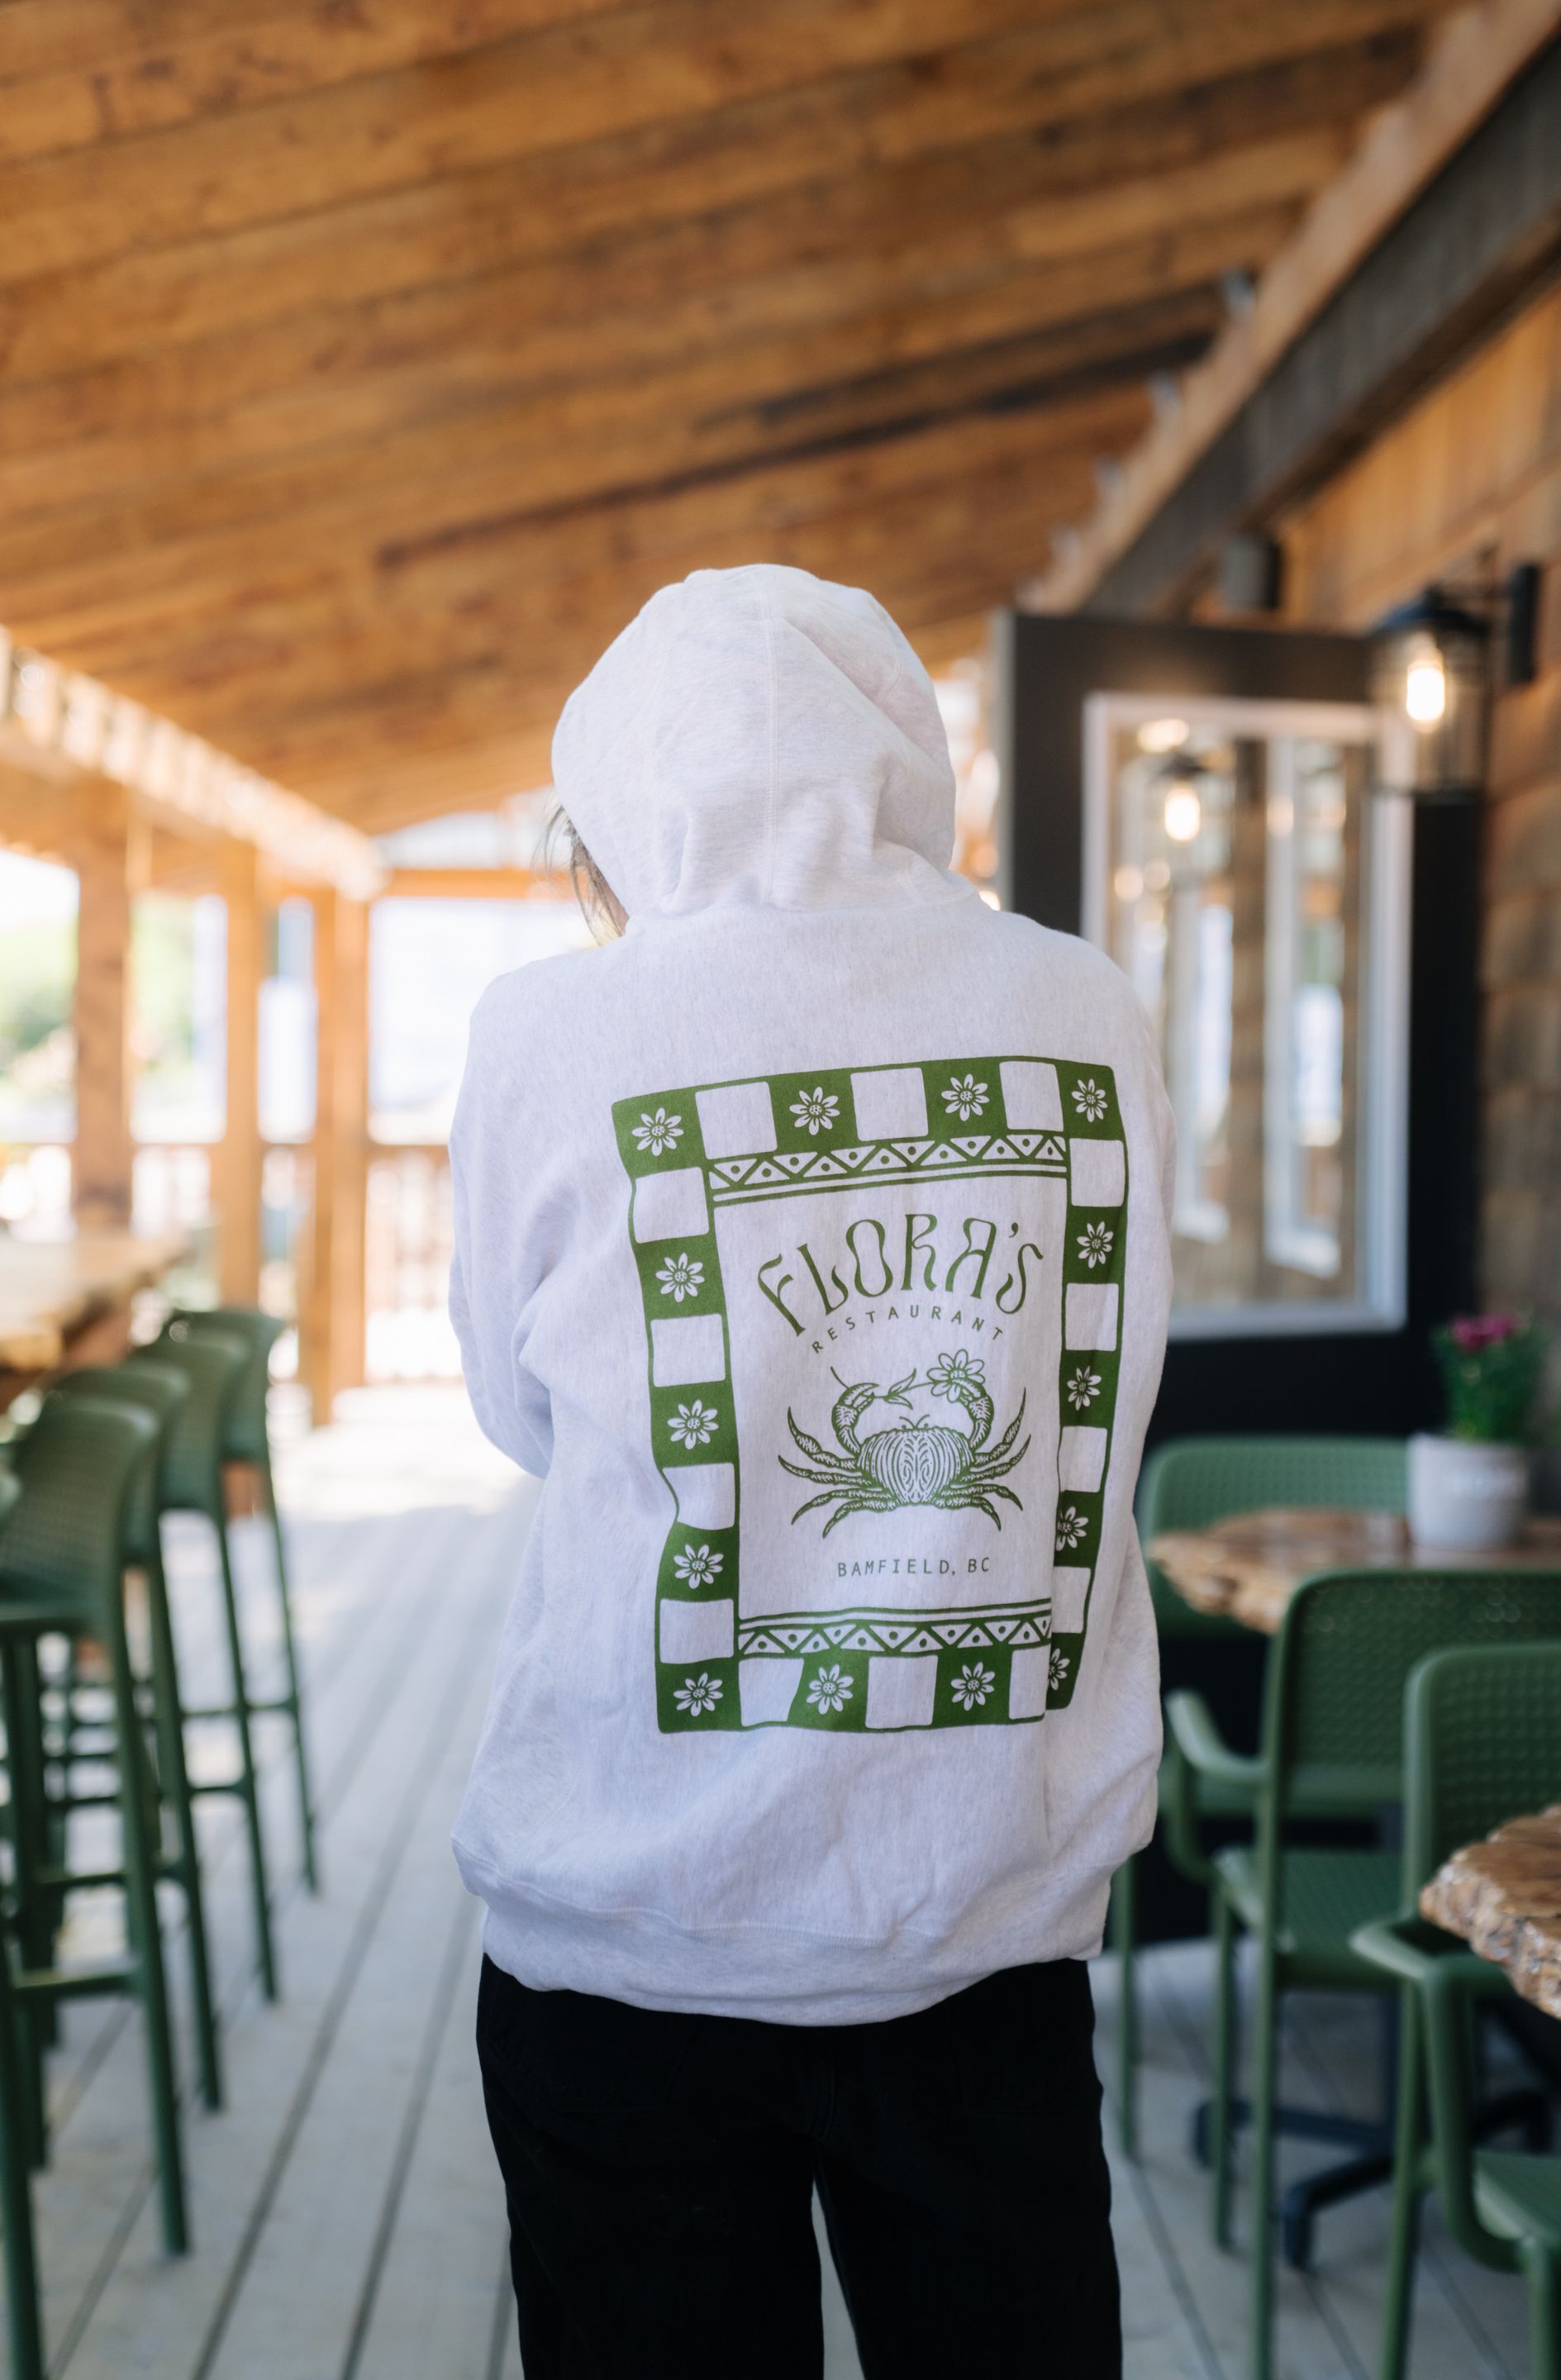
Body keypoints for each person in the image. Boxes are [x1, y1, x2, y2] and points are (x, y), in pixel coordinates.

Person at [450, 564, 1174, 2378]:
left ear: (619, 796)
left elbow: (513, 1411)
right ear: (897, 757)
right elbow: (1113, 1386)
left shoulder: (554, 1035)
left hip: (630, 1916)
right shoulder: (1079, 1007)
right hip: (979, 1907)